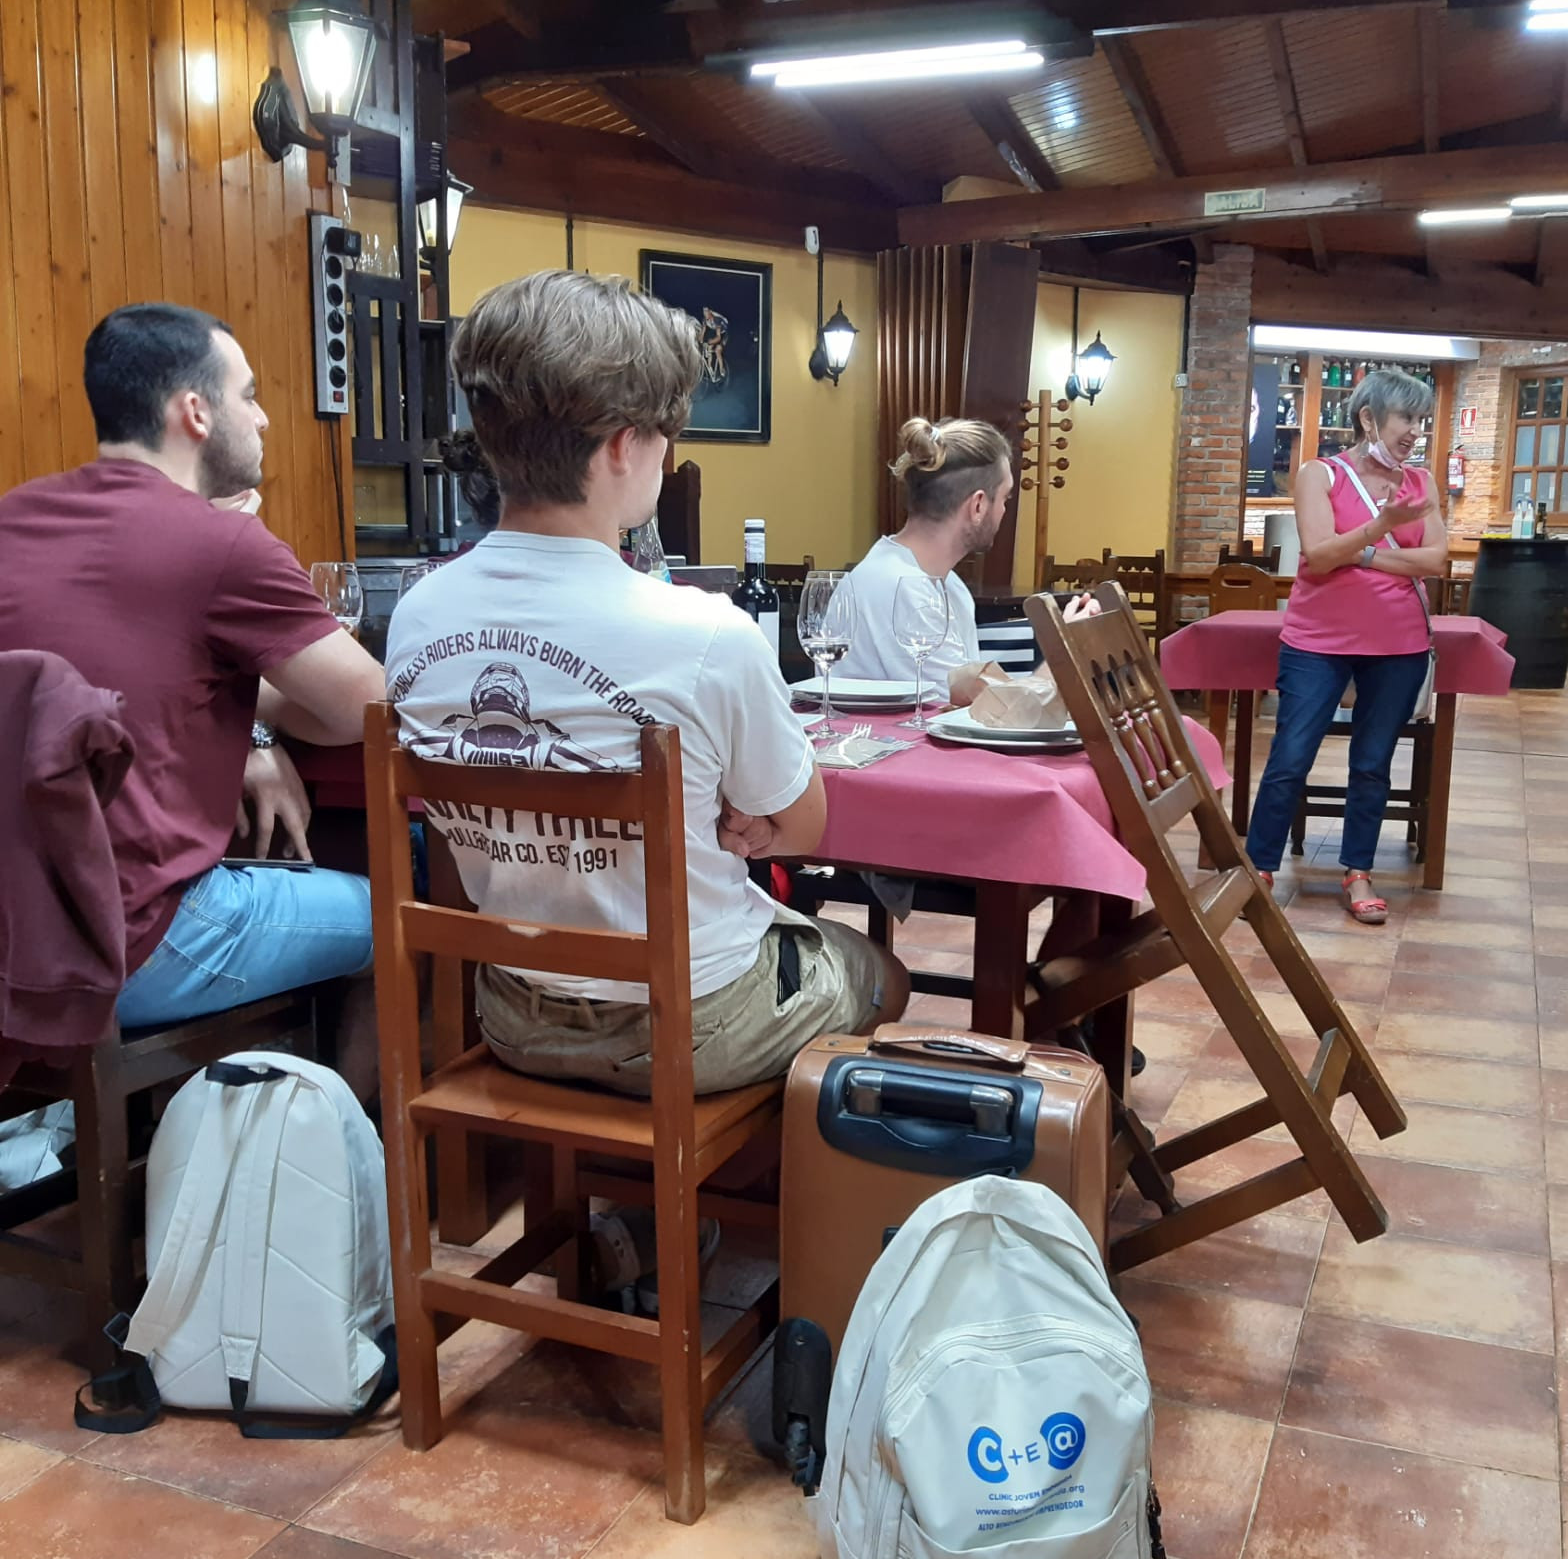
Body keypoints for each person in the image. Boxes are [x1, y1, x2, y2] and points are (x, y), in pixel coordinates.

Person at [387, 269, 908, 1098]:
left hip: (516, 1010)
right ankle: (726, 1199)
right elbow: (803, 823)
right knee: (873, 968)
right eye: (669, 434)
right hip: (694, 1023)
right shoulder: (702, 632)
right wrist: (749, 818)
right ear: (625, 445)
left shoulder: (417, 616)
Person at [0, 302, 384, 1037]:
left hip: (17, 943)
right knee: (393, 917)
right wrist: (259, 716)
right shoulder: (224, 543)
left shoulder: (14, 516)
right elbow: (367, 709)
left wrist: (250, 728)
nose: (264, 418)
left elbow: (95, 692)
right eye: (249, 395)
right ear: (196, 412)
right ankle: (347, 1145)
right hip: (135, 942)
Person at [1244, 367, 1447, 925]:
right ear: (1368, 418)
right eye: (1406, 417)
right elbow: (1319, 553)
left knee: (1373, 764)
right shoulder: (1319, 474)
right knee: (1290, 756)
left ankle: (1357, 870)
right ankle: (1258, 868)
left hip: (1400, 643)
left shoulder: (1422, 482)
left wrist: (1362, 551)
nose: (1414, 431)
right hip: (1318, 643)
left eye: (1420, 420)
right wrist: (1382, 526)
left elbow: (1434, 561)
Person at [844, 416, 1011, 696]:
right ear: (979, 505)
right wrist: (1062, 652)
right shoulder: (904, 588)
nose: (1005, 510)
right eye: (1006, 498)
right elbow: (988, 709)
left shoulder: (950, 586)